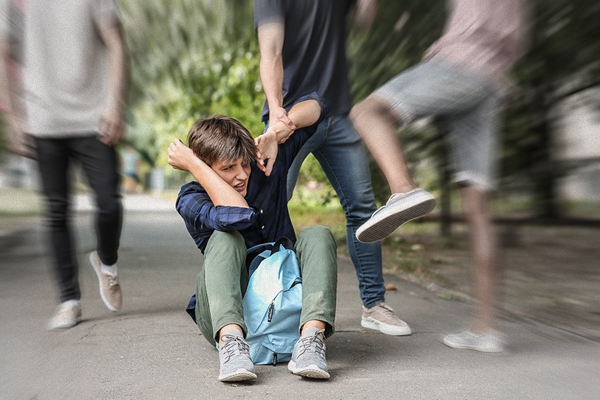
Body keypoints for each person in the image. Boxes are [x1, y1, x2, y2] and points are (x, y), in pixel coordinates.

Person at [350, 0, 528, 352]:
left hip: (458, 62)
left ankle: (404, 190)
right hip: (491, 81)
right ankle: (486, 329)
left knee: (368, 112)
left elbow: (366, 18)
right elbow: (516, 38)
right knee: (478, 209)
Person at [254, 0, 412, 337]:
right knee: (269, 212)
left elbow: (365, 20)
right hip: (289, 116)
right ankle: (263, 305)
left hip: (337, 114)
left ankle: (374, 305)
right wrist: (277, 111)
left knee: (363, 209)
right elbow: (270, 51)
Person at [167, 102, 338, 382]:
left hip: (286, 299)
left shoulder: (264, 165)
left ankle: (311, 341)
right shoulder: (190, 198)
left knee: (318, 234)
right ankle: (233, 346)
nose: (243, 174)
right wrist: (194, 165)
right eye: (229, 168)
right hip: (229, 313)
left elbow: (319, 108)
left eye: (244, 163)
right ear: (204, 168)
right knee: (225, 238)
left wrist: (274, 133)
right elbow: (238, 213)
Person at [0, 0, 128, 329]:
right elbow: (4, 50)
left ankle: (107, 262)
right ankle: (69, 299)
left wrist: (115, 104)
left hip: (94, 115)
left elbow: (116, 42)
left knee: (109, 203)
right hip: (44, 118)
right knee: (57, 209)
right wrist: (15, 116)